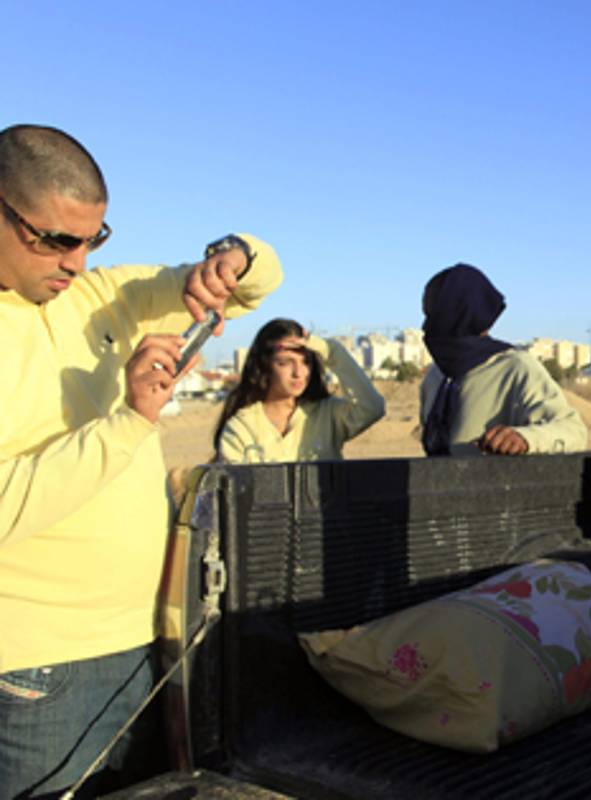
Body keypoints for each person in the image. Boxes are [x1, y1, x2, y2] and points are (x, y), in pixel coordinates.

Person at [0, 124, 283, 798]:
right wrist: (128, 421)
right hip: (41, 668)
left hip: (150, 636)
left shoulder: (100, 295)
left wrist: (232, 257)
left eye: (92, 240)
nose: (75, 263)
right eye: (55, 240)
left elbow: (255, 284)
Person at [419, 263, 587, 456]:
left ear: (459, 315)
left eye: (434, 316)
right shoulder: (435, 377)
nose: (426, 327)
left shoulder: (516, 368)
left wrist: (526, 439)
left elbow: (574, 431)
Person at [214, 318, 385, 462]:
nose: (298, 373)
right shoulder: (242, 427)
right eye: (285, 363)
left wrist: (331, 351)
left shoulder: (327, 414)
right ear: (264, 366)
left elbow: (372, 407)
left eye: (306, 362)